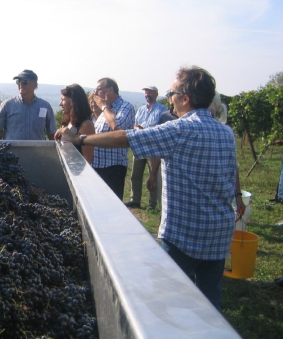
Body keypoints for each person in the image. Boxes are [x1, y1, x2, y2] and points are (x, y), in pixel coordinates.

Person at [56, 66, 240, 310]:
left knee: (166, 303)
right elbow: (232, 172)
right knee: (209, 303)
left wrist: (80, 139)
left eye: (172, 92)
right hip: (218, 234)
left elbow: (125, 138)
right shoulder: (226, 133)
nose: (169, 98)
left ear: (185, 99)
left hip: (184, 236)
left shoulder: (179, 129)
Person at [91, 77, 135, 200]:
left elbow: (117, 126)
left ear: (110, 90)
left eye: (98, 90)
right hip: (97, 165)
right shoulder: (105, 110)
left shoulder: (125, 107)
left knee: (112, 206)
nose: (95, 94)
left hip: (113, 167)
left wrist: (104, 107)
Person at [125, 86, 168, 210]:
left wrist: (145, 130)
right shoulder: (141, 109)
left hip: (153, 146)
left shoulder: (162, 110)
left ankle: (152, 204)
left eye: (150, 92)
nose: (147, 94)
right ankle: (135, 200)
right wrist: (136, 128)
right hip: (139, 145)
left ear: (156, 94)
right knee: (135, 174)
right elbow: (135, 123)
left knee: (152, 175)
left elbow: (162, 128)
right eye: (146, 92)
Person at [0, 70, 57, 140]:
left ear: (35, 85)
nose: (21, 84)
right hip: (12, 150)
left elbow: (52, 133)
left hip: (38, 150)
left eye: (24, 82)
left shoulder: (45, 106)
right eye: (18, 82)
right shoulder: (7, 105)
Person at [59, 84, 95, 164]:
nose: (60, 104)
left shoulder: (86, 125)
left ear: (72, 101)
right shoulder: (67, 122)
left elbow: (88, 159)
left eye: (63, 100)